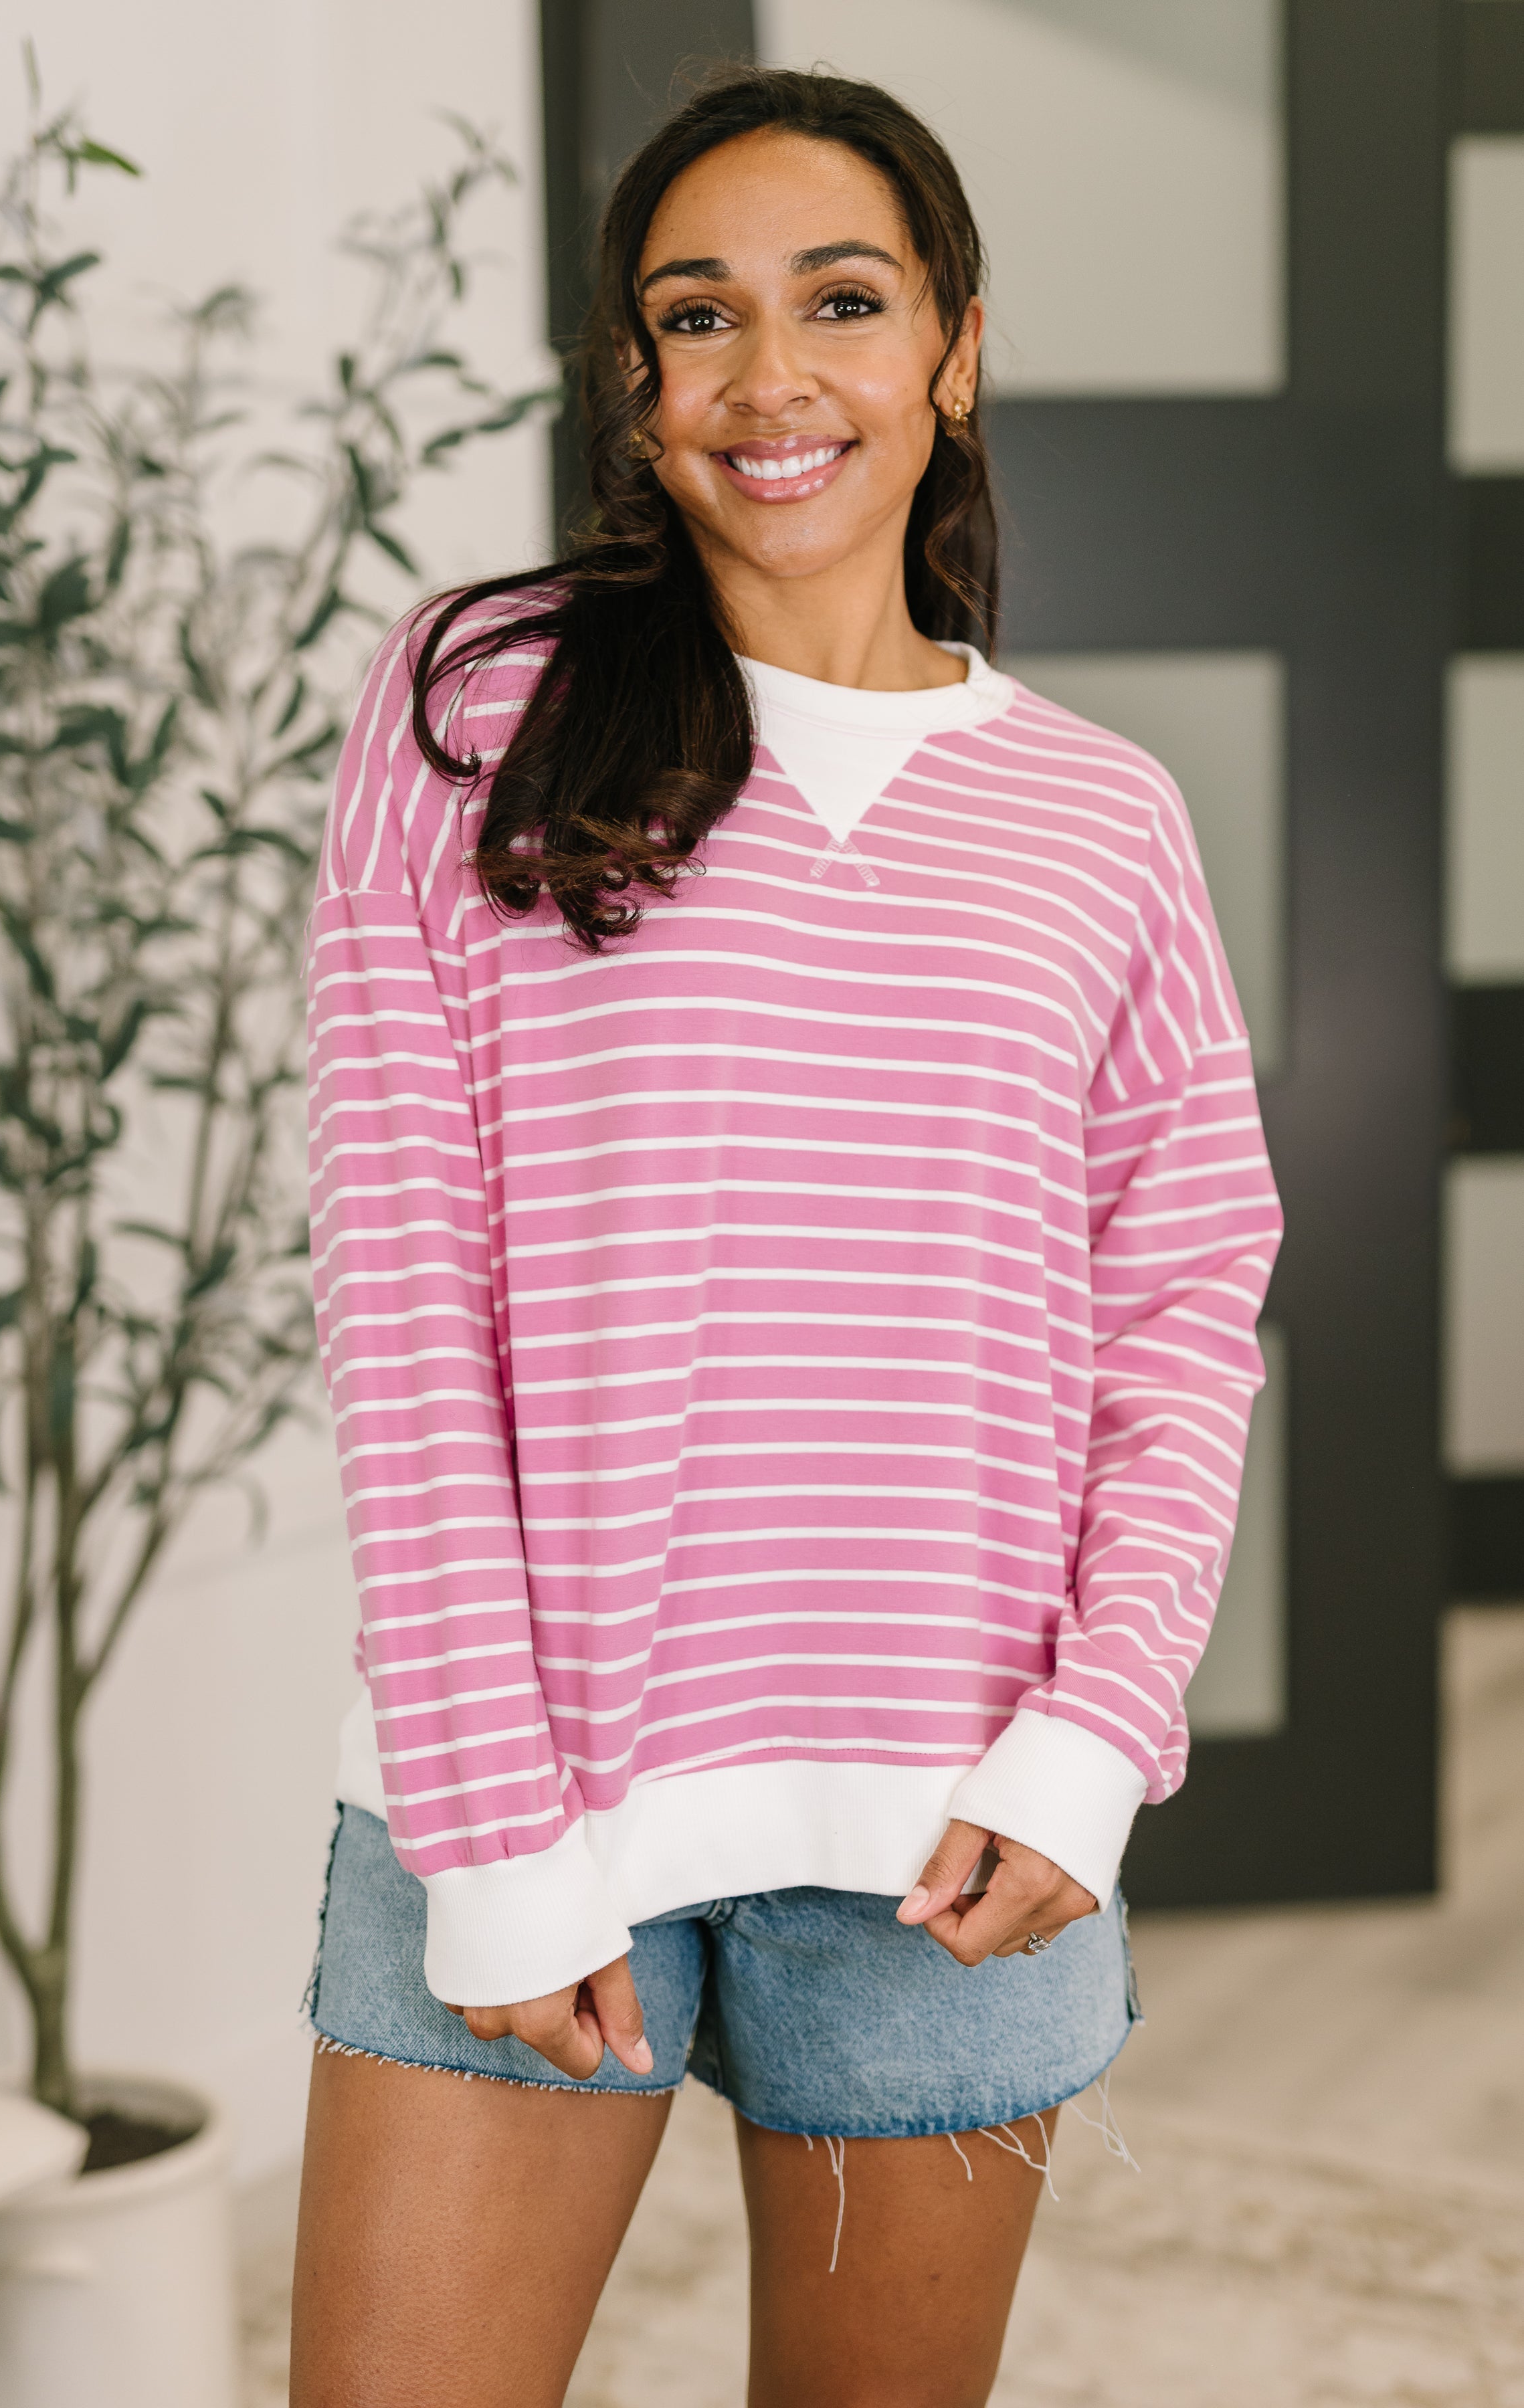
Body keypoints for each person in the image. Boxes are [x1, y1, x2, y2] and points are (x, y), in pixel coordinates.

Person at [290, 65, 1282, 2408]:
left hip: (952, 1830)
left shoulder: (1097, 820)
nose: (770, 375)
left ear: (949, 346)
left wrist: (1091, 1739)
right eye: (693, 316)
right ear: (635, 385)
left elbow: (1180, 1302)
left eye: (841, 301)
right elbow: (407, 1301)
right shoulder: (473, 704)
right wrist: (491, 1835)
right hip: (537, 1801)